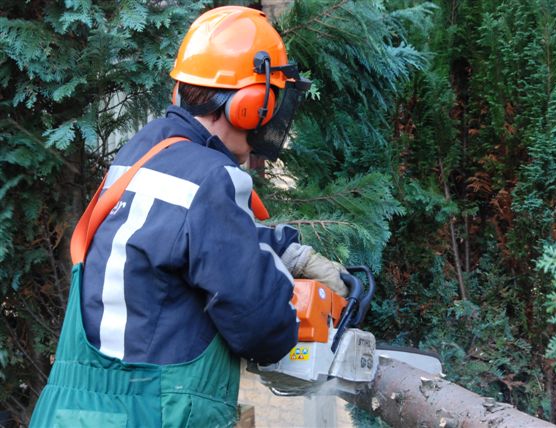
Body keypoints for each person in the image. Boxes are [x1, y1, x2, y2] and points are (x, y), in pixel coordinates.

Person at [30, 6, 347, 427]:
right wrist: (291, 305)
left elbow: (189, 232)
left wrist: (291, 253)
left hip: (73, 411)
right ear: (251, 107)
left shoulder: (142, 155)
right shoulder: (212, 178)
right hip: (156, 412)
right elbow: (260, 325)